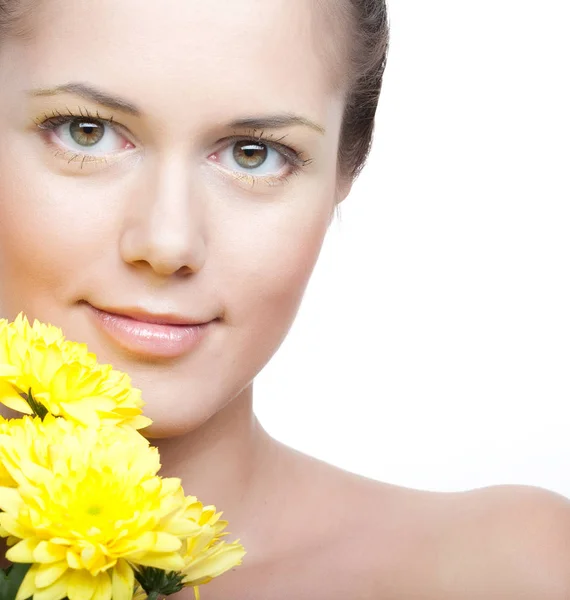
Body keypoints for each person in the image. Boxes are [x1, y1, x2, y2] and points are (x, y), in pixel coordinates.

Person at [0, 0, 569, 598]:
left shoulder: (509, 572)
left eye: (254, 153)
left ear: (344, 172)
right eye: (84, 132)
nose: (168, 242)